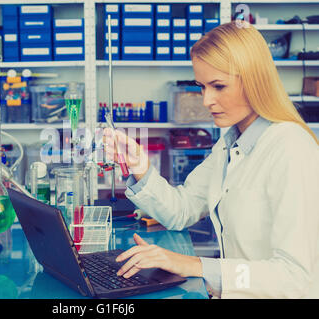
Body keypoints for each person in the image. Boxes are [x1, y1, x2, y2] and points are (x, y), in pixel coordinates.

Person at [103, 21, 319, 299]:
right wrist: (140, 168)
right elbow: (182, 209)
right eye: (202, 86)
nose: (206, 100)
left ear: (255, 80)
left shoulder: (291, 148)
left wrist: (195, 265)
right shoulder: (231, 143)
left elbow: (296, 277)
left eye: (218, 86)